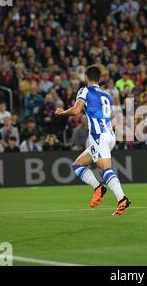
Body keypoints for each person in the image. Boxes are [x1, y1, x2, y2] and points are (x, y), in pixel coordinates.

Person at [55, 65, 131, 216]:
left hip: (98, 136)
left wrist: (62, 112)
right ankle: (98, 188)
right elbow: (114, 117)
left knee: (105, 169)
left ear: (86, 78)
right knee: (77, 165)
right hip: (109, 135)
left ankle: (122, 199)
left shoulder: (84, 90)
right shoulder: (107, 96)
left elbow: (76, 110)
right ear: (99, 78)